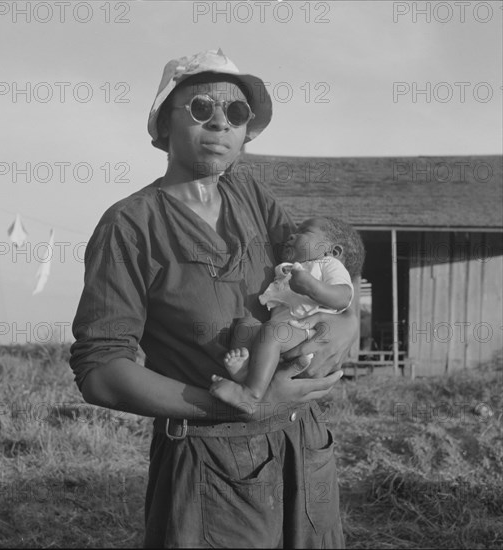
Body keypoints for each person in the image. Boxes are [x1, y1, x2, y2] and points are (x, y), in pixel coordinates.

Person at [69, 49, 359, 548]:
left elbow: (324, 273)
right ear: (163, 126)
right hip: (212, 461)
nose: (221, 123)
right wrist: (234, 406)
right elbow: (100, 371)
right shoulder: (130, 225)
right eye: (201, 108)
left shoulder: (250, 195)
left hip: (303, 444)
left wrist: (347, 321)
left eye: (237, 114)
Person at [210, 216, 365, 410]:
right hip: (284, 332)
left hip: (307, 333)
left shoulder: (329, 265)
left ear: (332, 250)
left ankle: (250, 395)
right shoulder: (289, 268)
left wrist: (311, 287)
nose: (291, 236)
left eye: (304, 232)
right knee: (248, 324)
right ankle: (247, 372)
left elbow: (343, 296)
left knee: (271, 332)